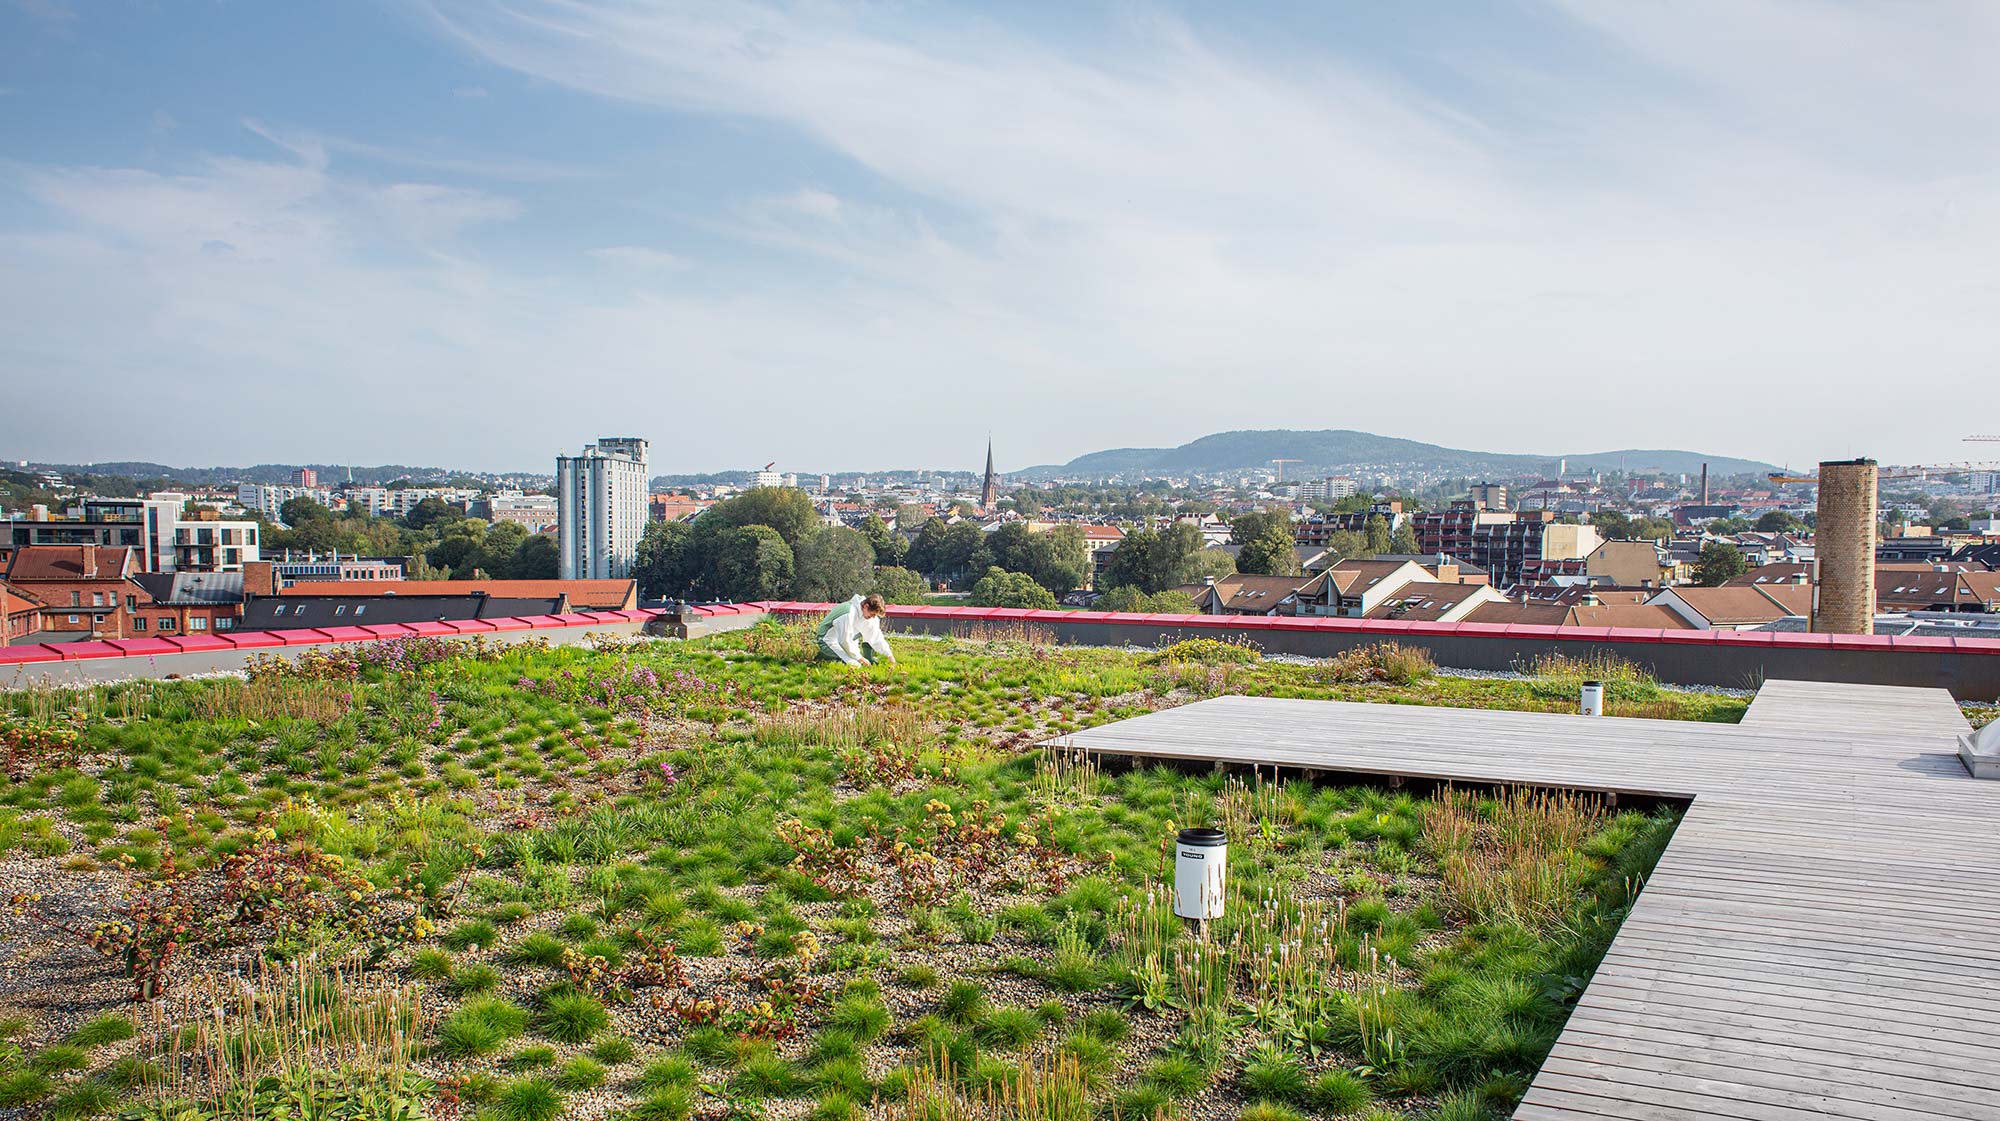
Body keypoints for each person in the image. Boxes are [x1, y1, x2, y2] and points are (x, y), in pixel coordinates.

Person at [817, 593, 896, 666]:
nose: (873, 617)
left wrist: (889, 655)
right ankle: (824, 657)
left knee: (857, 662)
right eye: (872, 614)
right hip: (828, 641)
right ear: (866, 606)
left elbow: (875, 636)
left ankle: (836, 658)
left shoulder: (866, 615)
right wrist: (860, 658)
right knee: (855, 665)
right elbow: (844, 640)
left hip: (845, 642)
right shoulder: (848, 613)